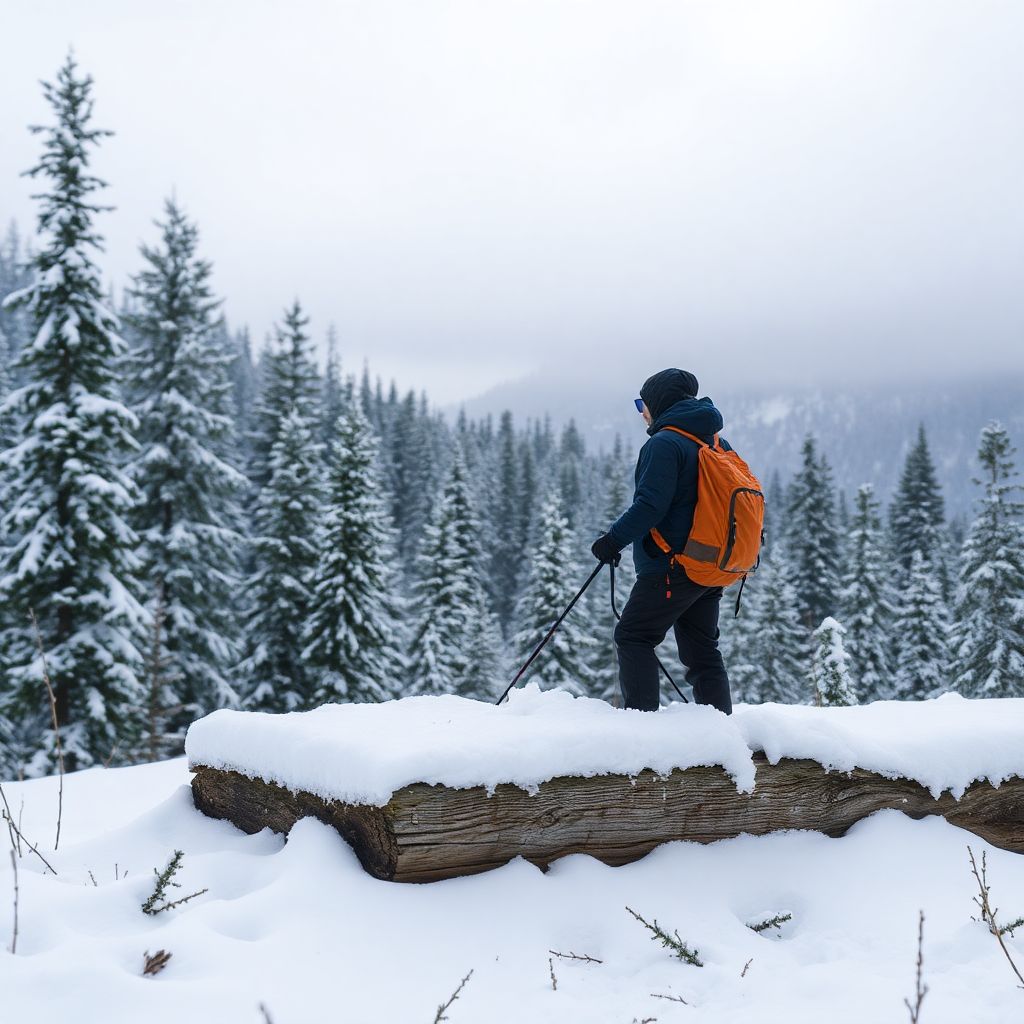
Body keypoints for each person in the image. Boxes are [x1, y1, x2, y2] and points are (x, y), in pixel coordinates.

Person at [591, 368, 733, 715]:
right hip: (710, 565)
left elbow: (651, 505)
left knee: (633, 636)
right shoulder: (715, 442)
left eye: (643, 402)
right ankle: (720, 734)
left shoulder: (665, 443)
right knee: (702, 653)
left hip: (672, 566)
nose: (642, 411)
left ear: (659, 403)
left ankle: (642, 734)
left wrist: (612, 541)